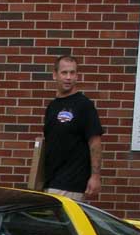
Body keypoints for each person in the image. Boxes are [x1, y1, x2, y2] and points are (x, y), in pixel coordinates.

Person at [43, 55, 103, 201]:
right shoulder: (52, 106)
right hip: (51, 180)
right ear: (55, 75)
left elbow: (95, 142)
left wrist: (95, 176)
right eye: (64, 73)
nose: (68, 77)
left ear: (77, 76)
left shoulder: (84, 105)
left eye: (72, 73)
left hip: (72, 183)